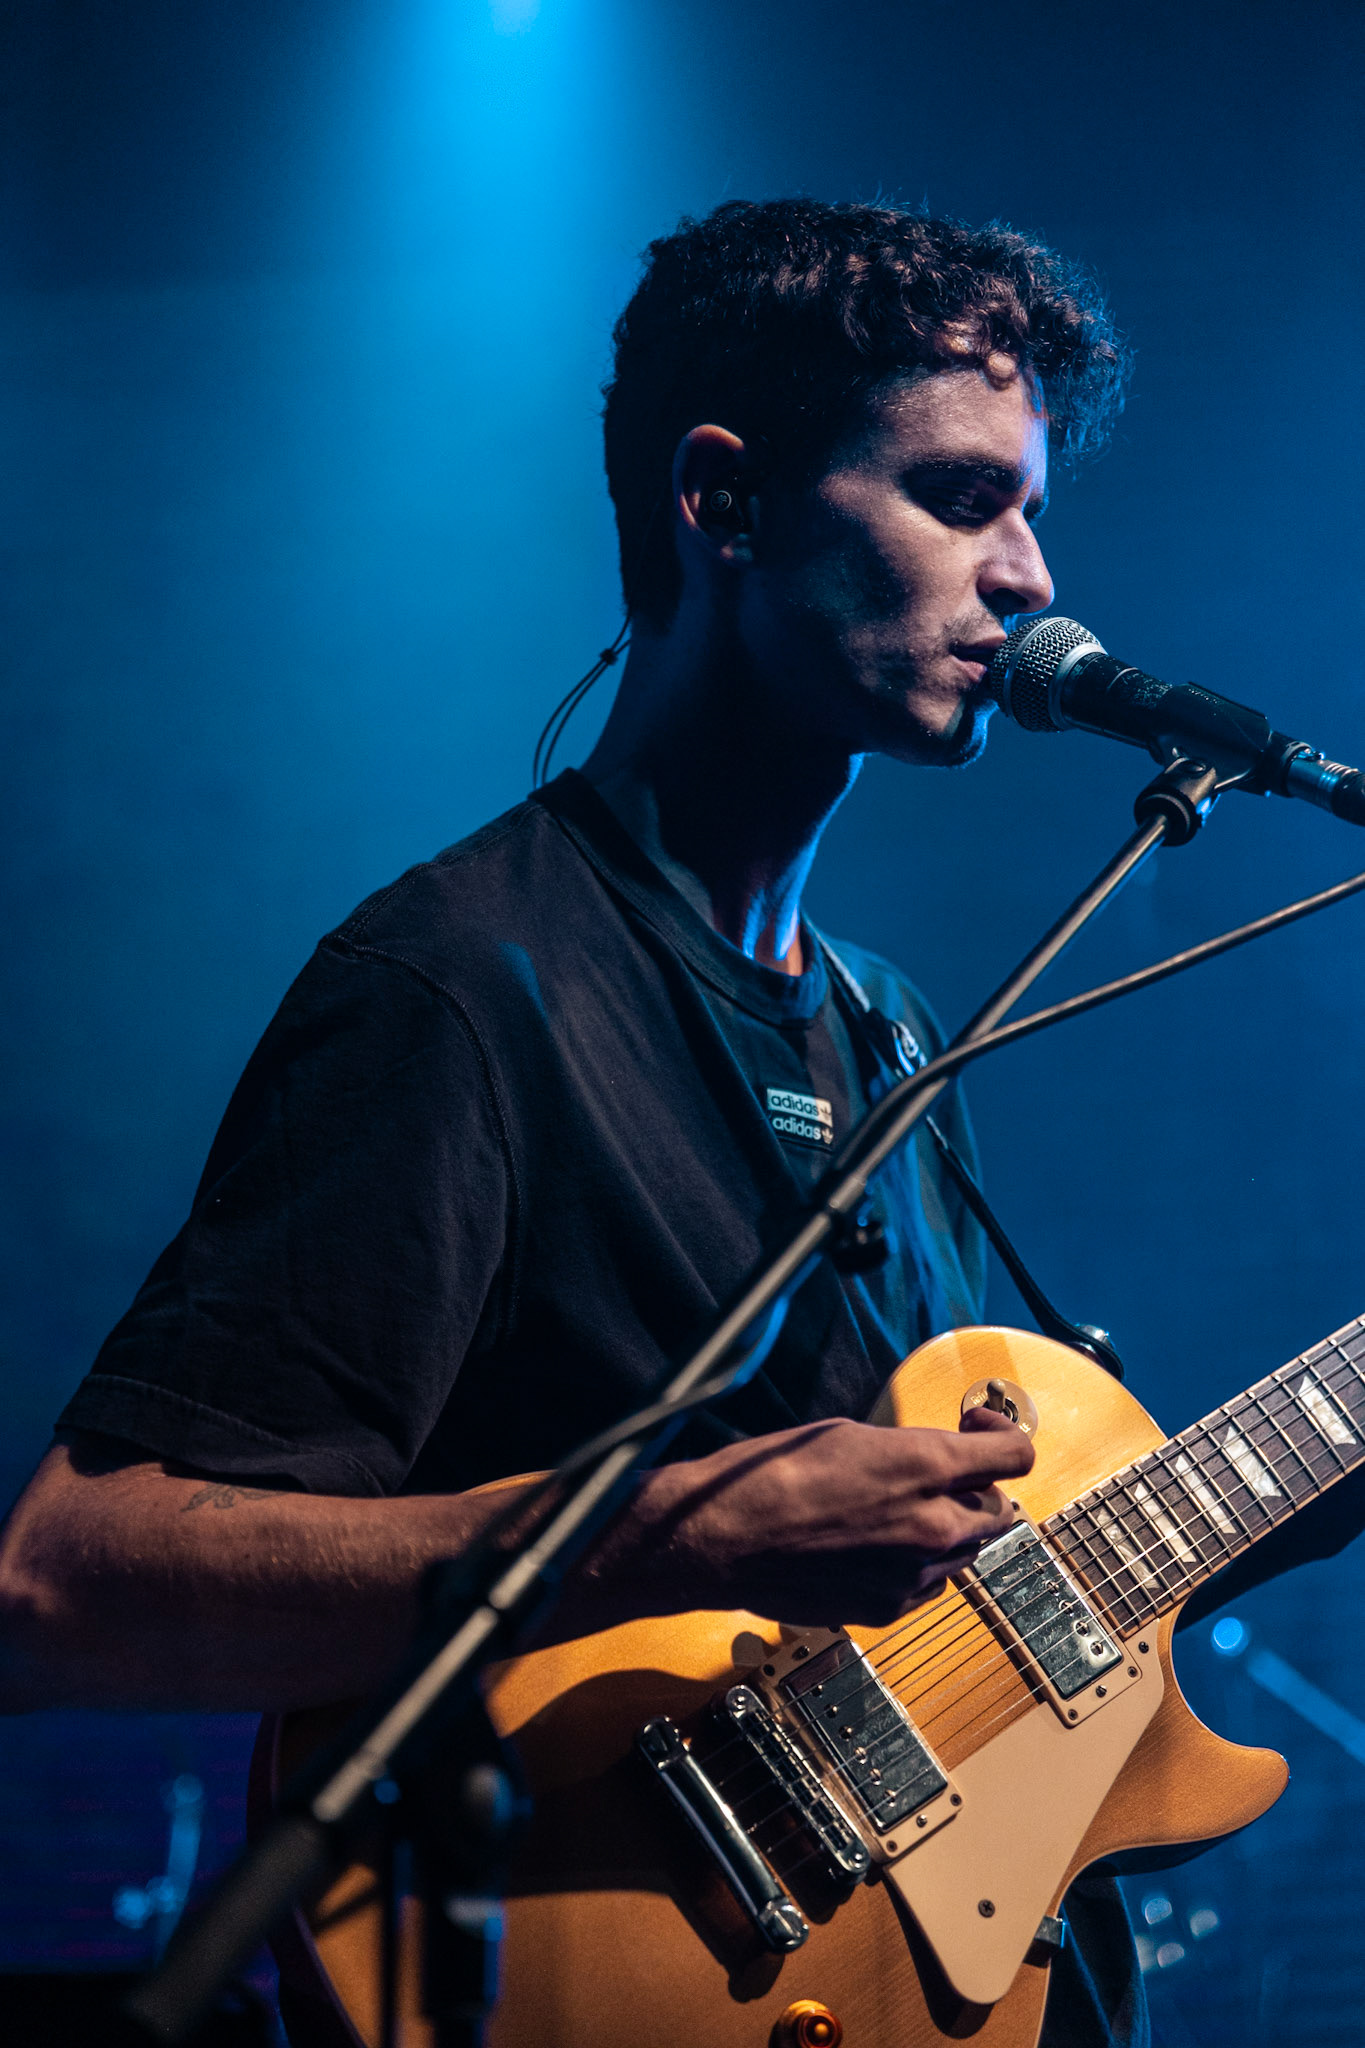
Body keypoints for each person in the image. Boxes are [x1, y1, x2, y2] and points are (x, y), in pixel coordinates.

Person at [5, 197, 1341, 2044]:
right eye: (958, 499)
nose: (1031, 577)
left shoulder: (891, 1033)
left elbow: (994, 1604)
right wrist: (671, 1530)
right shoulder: (465, 985)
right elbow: (66, 1585)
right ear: (724, 501)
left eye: (1029, 508)